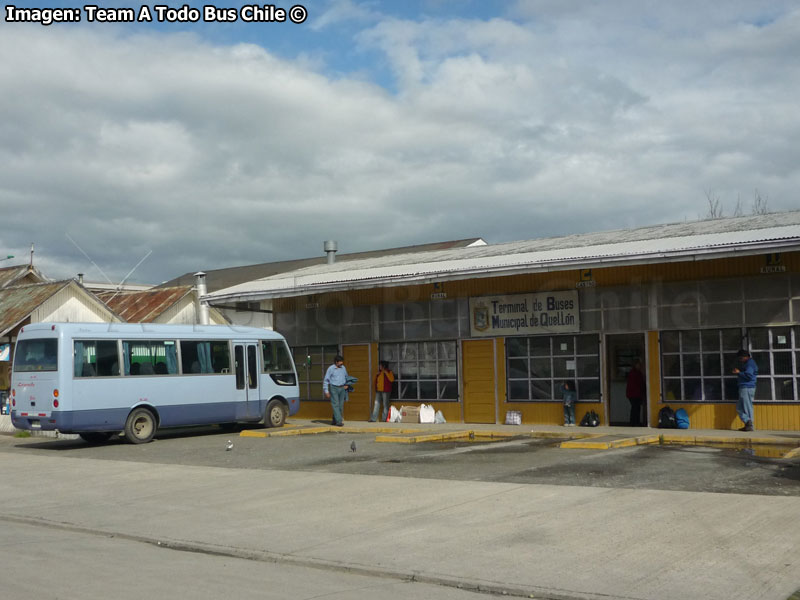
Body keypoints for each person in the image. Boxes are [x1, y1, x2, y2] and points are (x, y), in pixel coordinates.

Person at [732, 349, 758, 431]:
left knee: (747, 406)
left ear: (745, 357)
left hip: (747, 387)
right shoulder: (749, 363)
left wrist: (738, 373)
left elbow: (749, 375)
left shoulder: (749, 364)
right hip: (745, 387)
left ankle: (749, 424)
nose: (740, 360)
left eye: (740, 358)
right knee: (739, 407)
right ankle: (747, 422)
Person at [323, 354, 348, 427]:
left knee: (340, 405)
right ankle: (339, 421)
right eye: (340, 362)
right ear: (336, 362)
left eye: (342, 362)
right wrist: (326, 391)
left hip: (342, 388)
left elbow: (346, 377)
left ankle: (334, 420)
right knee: (335, 404)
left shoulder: (343, 368)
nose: (342, 363)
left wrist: (347, 385)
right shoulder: (331, 369)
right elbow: (326, 380)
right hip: (334, 387)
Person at [626, 359, 646, 427]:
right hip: (634, 394)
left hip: (634, 393)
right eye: (638, 365)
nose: (640, 366)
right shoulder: (635, 373)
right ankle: (634, 422)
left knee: (636, 408)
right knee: (635, 408)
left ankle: (635, 422)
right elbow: (639, 383)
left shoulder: (635, 372)